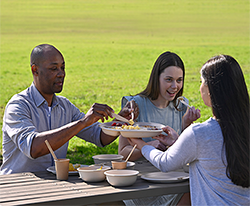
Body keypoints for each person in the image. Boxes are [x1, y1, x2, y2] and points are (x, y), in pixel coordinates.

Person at [128, 55, 250, 205]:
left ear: (211, 90)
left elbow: (165, 163)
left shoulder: (200, 133)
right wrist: (179, 142)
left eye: (202, 82)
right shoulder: (243, 128)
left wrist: (141, 144)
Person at [0, 44, 131, 175]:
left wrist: (121, 119)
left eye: (63, 67)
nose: (61, 74)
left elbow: (99, 136)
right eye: (53, 68)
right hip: (17, 186)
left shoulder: (64, 106)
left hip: (55, 184)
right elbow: (33, 148)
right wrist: (83, 122)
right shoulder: (18, 106)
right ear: (35, 70)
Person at [118, 51, 200, 206]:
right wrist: (148, 147)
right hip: (140, 183)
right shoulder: (135, 105)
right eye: (168, 80)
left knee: (193, 191)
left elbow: (182, 153)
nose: (175, 86)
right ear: (156, 78)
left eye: (179, 80)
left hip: (173, 180)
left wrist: (187, 126)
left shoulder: (182, 106)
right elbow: (122, 154)